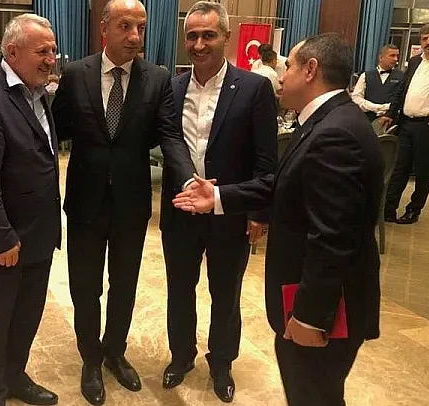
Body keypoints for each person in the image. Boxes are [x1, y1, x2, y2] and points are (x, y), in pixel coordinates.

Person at [174, 33, 384, 406]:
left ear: (311, 70)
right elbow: (283, 186)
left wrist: (310, 317)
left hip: (323, 314)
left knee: (314, 396)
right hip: (313, 305)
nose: (282, 76)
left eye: (289, 67)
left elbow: (333, 239)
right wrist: (219, 197)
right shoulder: (327, 121)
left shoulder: (336, 134)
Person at [51, 0, 194, 404]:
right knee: (85, 286)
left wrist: (187, 176)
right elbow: (54, 130)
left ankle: (114, 350)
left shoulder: (157, 79)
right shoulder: (76, 74)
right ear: (105, 29)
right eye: (125, 26)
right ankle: (90, 358)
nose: (135, 36)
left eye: (141, 28)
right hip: (85, 201)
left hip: (131, 203)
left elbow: (169, 135)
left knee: (125, 284)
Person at [160, 2, 277, 403]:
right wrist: (187, 184)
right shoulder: (173, 88)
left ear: (226, 37)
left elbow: (266, 160)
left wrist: (259, 213)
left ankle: (222, 363)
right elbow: (169, 142)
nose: (199, 44)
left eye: (208, 35)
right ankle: (181, 356)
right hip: (181, 209)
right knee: (180, 289)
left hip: (230, 213)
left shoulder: (254, 88)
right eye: (192, 35)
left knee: (226, 294)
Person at [0, 14, 61, 406]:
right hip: (1, 243)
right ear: (13, 52)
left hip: (36, 236)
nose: (51, 59)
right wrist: (2, 238)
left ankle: (14, 377)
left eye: (53, 50)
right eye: (42, 51)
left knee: (24, 321)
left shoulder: (38, 93)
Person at [380, 23, 429, 224]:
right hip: (407, 123)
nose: (428, 42)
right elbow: (402, 90)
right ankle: (388, 209)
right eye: (424, 39)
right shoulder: (415, 61)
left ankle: (413, 210)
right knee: (399, 168)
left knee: (423, 171)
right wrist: (390, 112)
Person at [351, 44, 402, 121]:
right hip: (367, 120)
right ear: (381, 57)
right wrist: (376, 107)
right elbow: (356, 98)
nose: (395, 59)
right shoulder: (365, 75)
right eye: (392, 55)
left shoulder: (402, 76)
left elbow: (402, 100)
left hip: (392, 121)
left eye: (397, 56)